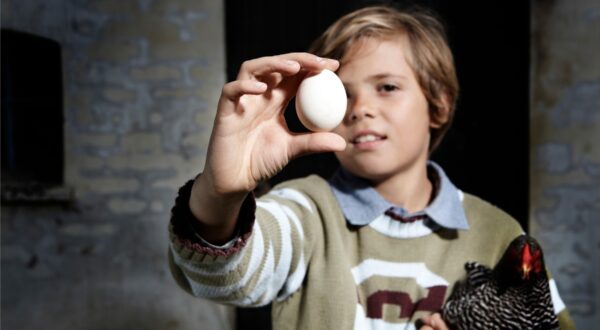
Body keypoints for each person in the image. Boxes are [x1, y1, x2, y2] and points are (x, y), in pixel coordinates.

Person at [168, 5, 574, 329]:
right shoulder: (307, 213)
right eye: (342, 94)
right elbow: (220, 276)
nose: (360, 108)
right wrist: (222, 194)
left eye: (388, 87)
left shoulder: (497, 234)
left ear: (438, 104)